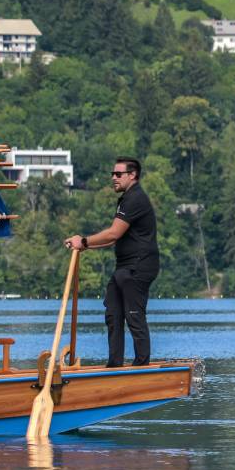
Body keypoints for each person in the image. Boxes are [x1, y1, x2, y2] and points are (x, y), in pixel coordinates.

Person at [65, 157, 161, 367]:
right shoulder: (126, 198)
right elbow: (113, 239)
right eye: (112, 174)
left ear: (132, 175)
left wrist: (82, 240)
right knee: (113, 313)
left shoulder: (135, 198)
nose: (113, 178)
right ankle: (114, 365)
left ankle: (141, 367)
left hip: (139, 266)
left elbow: (113, 234)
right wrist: (84, 245)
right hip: (124, 267)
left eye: (118, 174)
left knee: (134, 316)